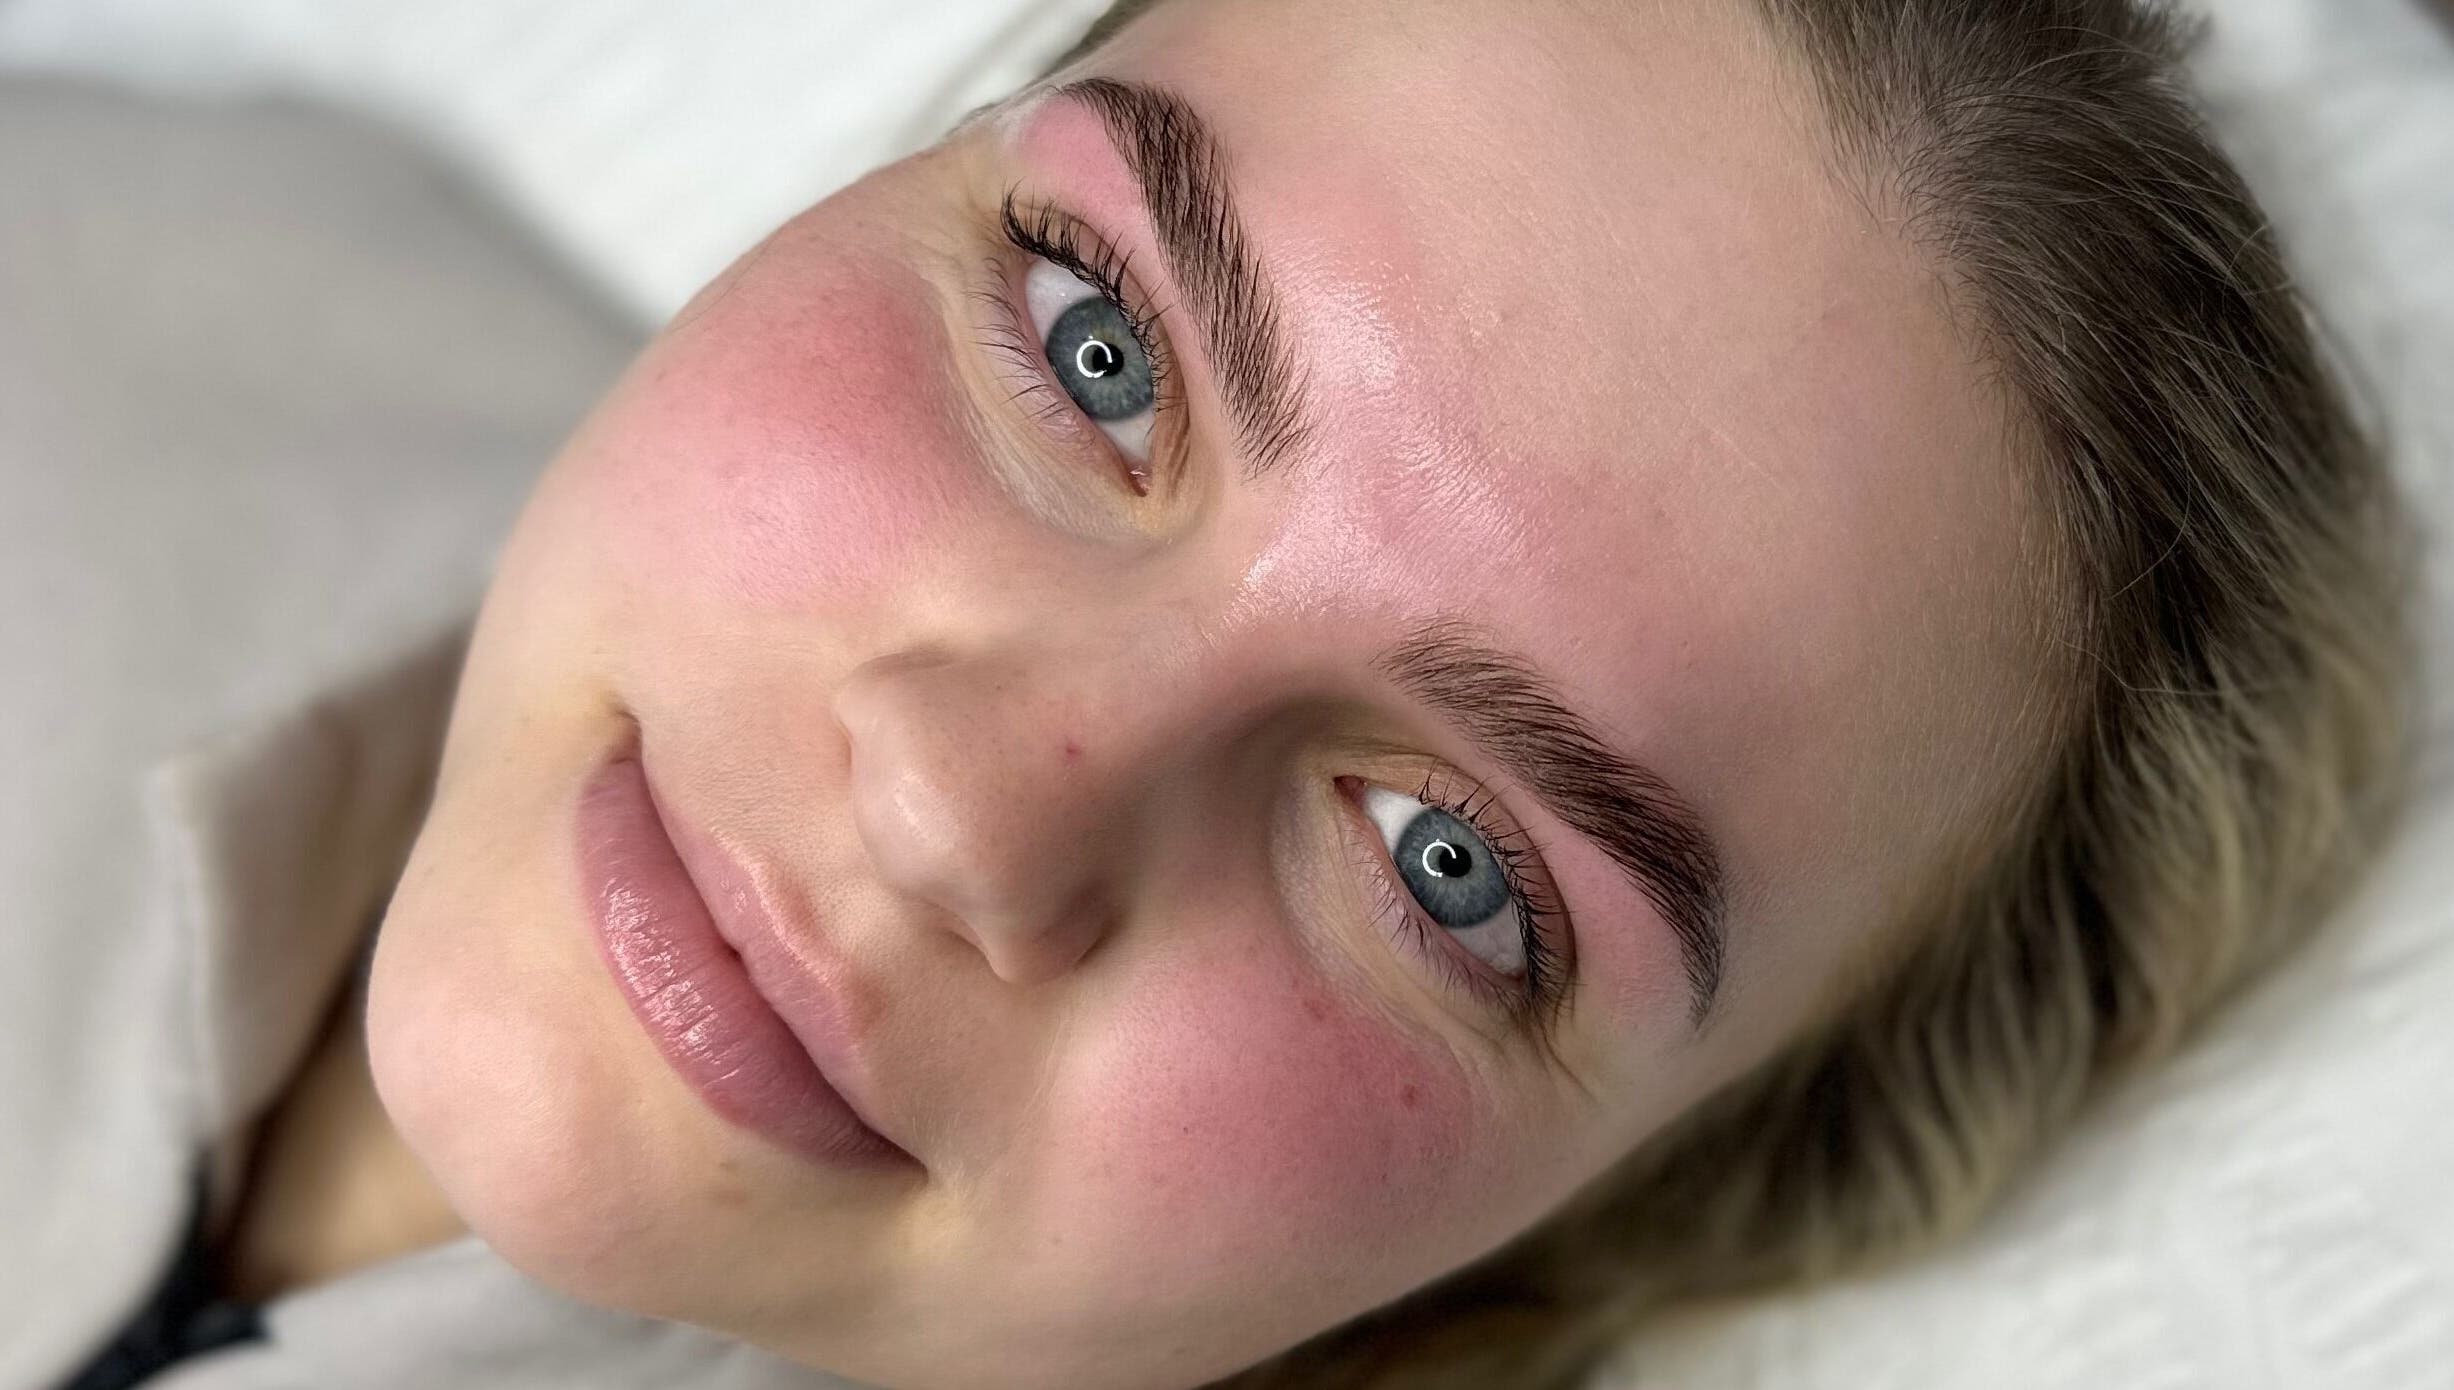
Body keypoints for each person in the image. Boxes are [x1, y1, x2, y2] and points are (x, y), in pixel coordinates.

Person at [14, 0, 2419, 1388]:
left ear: (1583, 1231)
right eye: (1094, 338)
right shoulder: (167, 243)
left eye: (1446, 865)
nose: (966, 802)